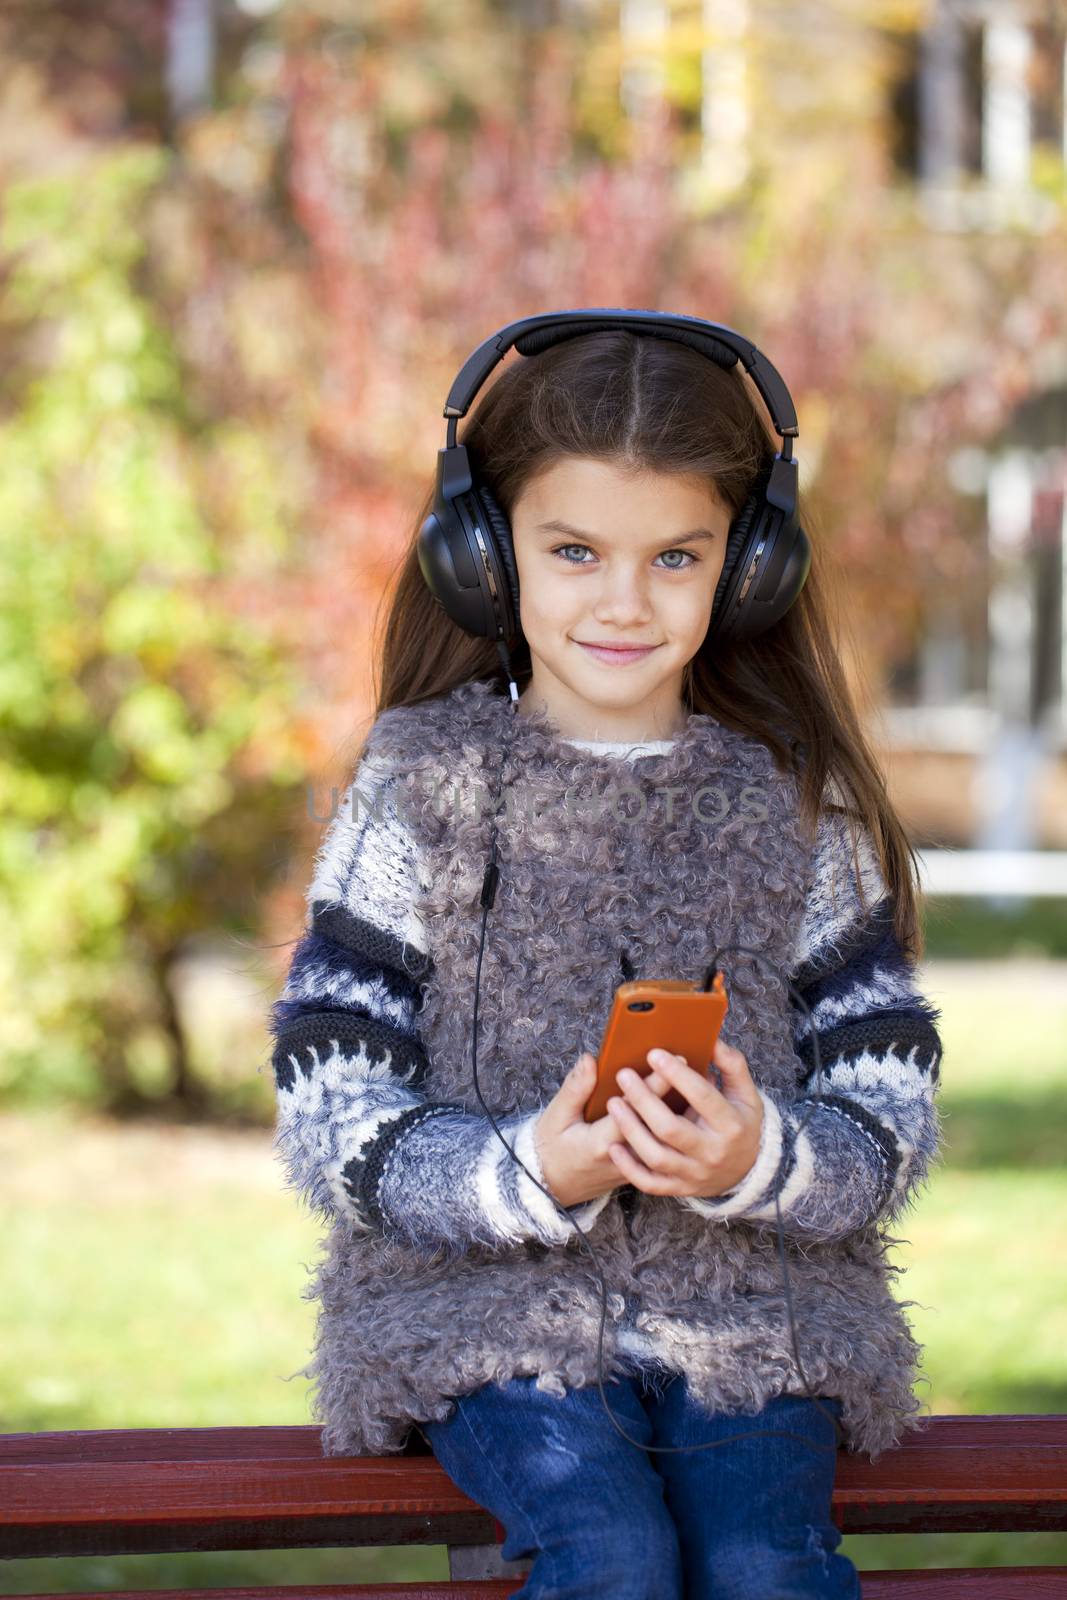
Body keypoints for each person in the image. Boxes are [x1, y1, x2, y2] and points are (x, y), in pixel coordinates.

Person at [268, 319, 944, 1600]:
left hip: (756, 1321)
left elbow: (889, 1094)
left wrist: (760, 1158)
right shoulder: (423, 791)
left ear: (744, 571)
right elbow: (327, 1095)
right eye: (572, 550)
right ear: (483, 557)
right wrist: (524, 1168)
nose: (622, 601)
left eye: (674, 556)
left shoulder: (799, 812)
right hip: (480, 1317)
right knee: (611, 1551)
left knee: (762, 1561)